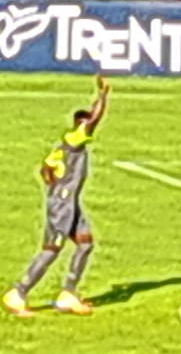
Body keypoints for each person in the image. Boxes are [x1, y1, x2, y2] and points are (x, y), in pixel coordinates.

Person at [6, 78, 108, 314]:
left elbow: (45, 170)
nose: (90, 127)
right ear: (79, 125)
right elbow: (94, 119)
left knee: (85, 243)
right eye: (85, 123)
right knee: (52, 248)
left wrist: (55, 184)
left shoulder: (63, 147)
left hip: (69, 202)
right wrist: (102, 96)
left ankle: (68, 294)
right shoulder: (74, 140)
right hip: (63, 205)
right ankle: (18, 292)